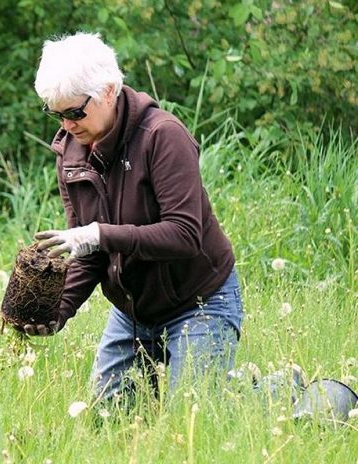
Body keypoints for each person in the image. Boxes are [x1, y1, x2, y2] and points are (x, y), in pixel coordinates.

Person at [20, 32, 244, 402]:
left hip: (199, 301)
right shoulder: (71, 154)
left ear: (109, 91)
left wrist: (99, 234)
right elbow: (89, 252)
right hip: (134, 311)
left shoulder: (162, 136)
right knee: (107, 418)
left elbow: (185, 234)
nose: (66, 125)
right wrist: (58, 313)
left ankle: (279, 390)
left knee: (192, 414)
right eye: (56, 114)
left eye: (75, 112)